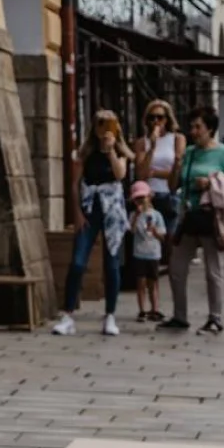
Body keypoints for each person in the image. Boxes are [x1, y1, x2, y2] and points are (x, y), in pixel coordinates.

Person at [53, 111, 130, 337]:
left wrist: (111, 151)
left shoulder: (121, 151)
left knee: (112, 264)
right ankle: (67, 314)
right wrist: (77, 213)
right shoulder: (85, 153)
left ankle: (110, 315)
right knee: (78, 262)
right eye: (100, 124)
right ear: (93, 127)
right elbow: (75, 184)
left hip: (113, 212)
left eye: (110, 124)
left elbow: (119, 174)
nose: (104, 128)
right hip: (90, 209)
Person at [165, 106, 224, 333]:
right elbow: (172, 186)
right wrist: (177, 164)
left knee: (213, 270)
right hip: (189, 216)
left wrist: (211, 182)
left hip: (211, 217)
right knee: (176, 267)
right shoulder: (189, 152)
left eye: (199, 127)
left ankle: (215, 318)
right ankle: (179, 316)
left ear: (210, 129)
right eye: (192, 126)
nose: (194, 131)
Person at [135, 99, 186, 238]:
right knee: (150, 239)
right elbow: (141, 175)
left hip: (169, 194)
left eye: (160, 117)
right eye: (152, 117)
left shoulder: (177, 138)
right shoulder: (142, 142)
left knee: (169, 238)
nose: (156, 121)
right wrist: (152, 147)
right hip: (149, 196)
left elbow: (178, 168)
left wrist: (154, 172)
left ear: (167, 119)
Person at [126, 181, 166, 322]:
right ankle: (142, 310)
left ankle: (155, 308)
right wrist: (137, 216)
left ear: (150, 197)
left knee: (153, 283)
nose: (141, 201)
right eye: (138, 199)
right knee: (140, 282)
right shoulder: (133, 215)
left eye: (143, 197)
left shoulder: (157, 215)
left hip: (153, 253)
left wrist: (155, 232)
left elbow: (162, 236)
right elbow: (130, 230)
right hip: (139, 253)